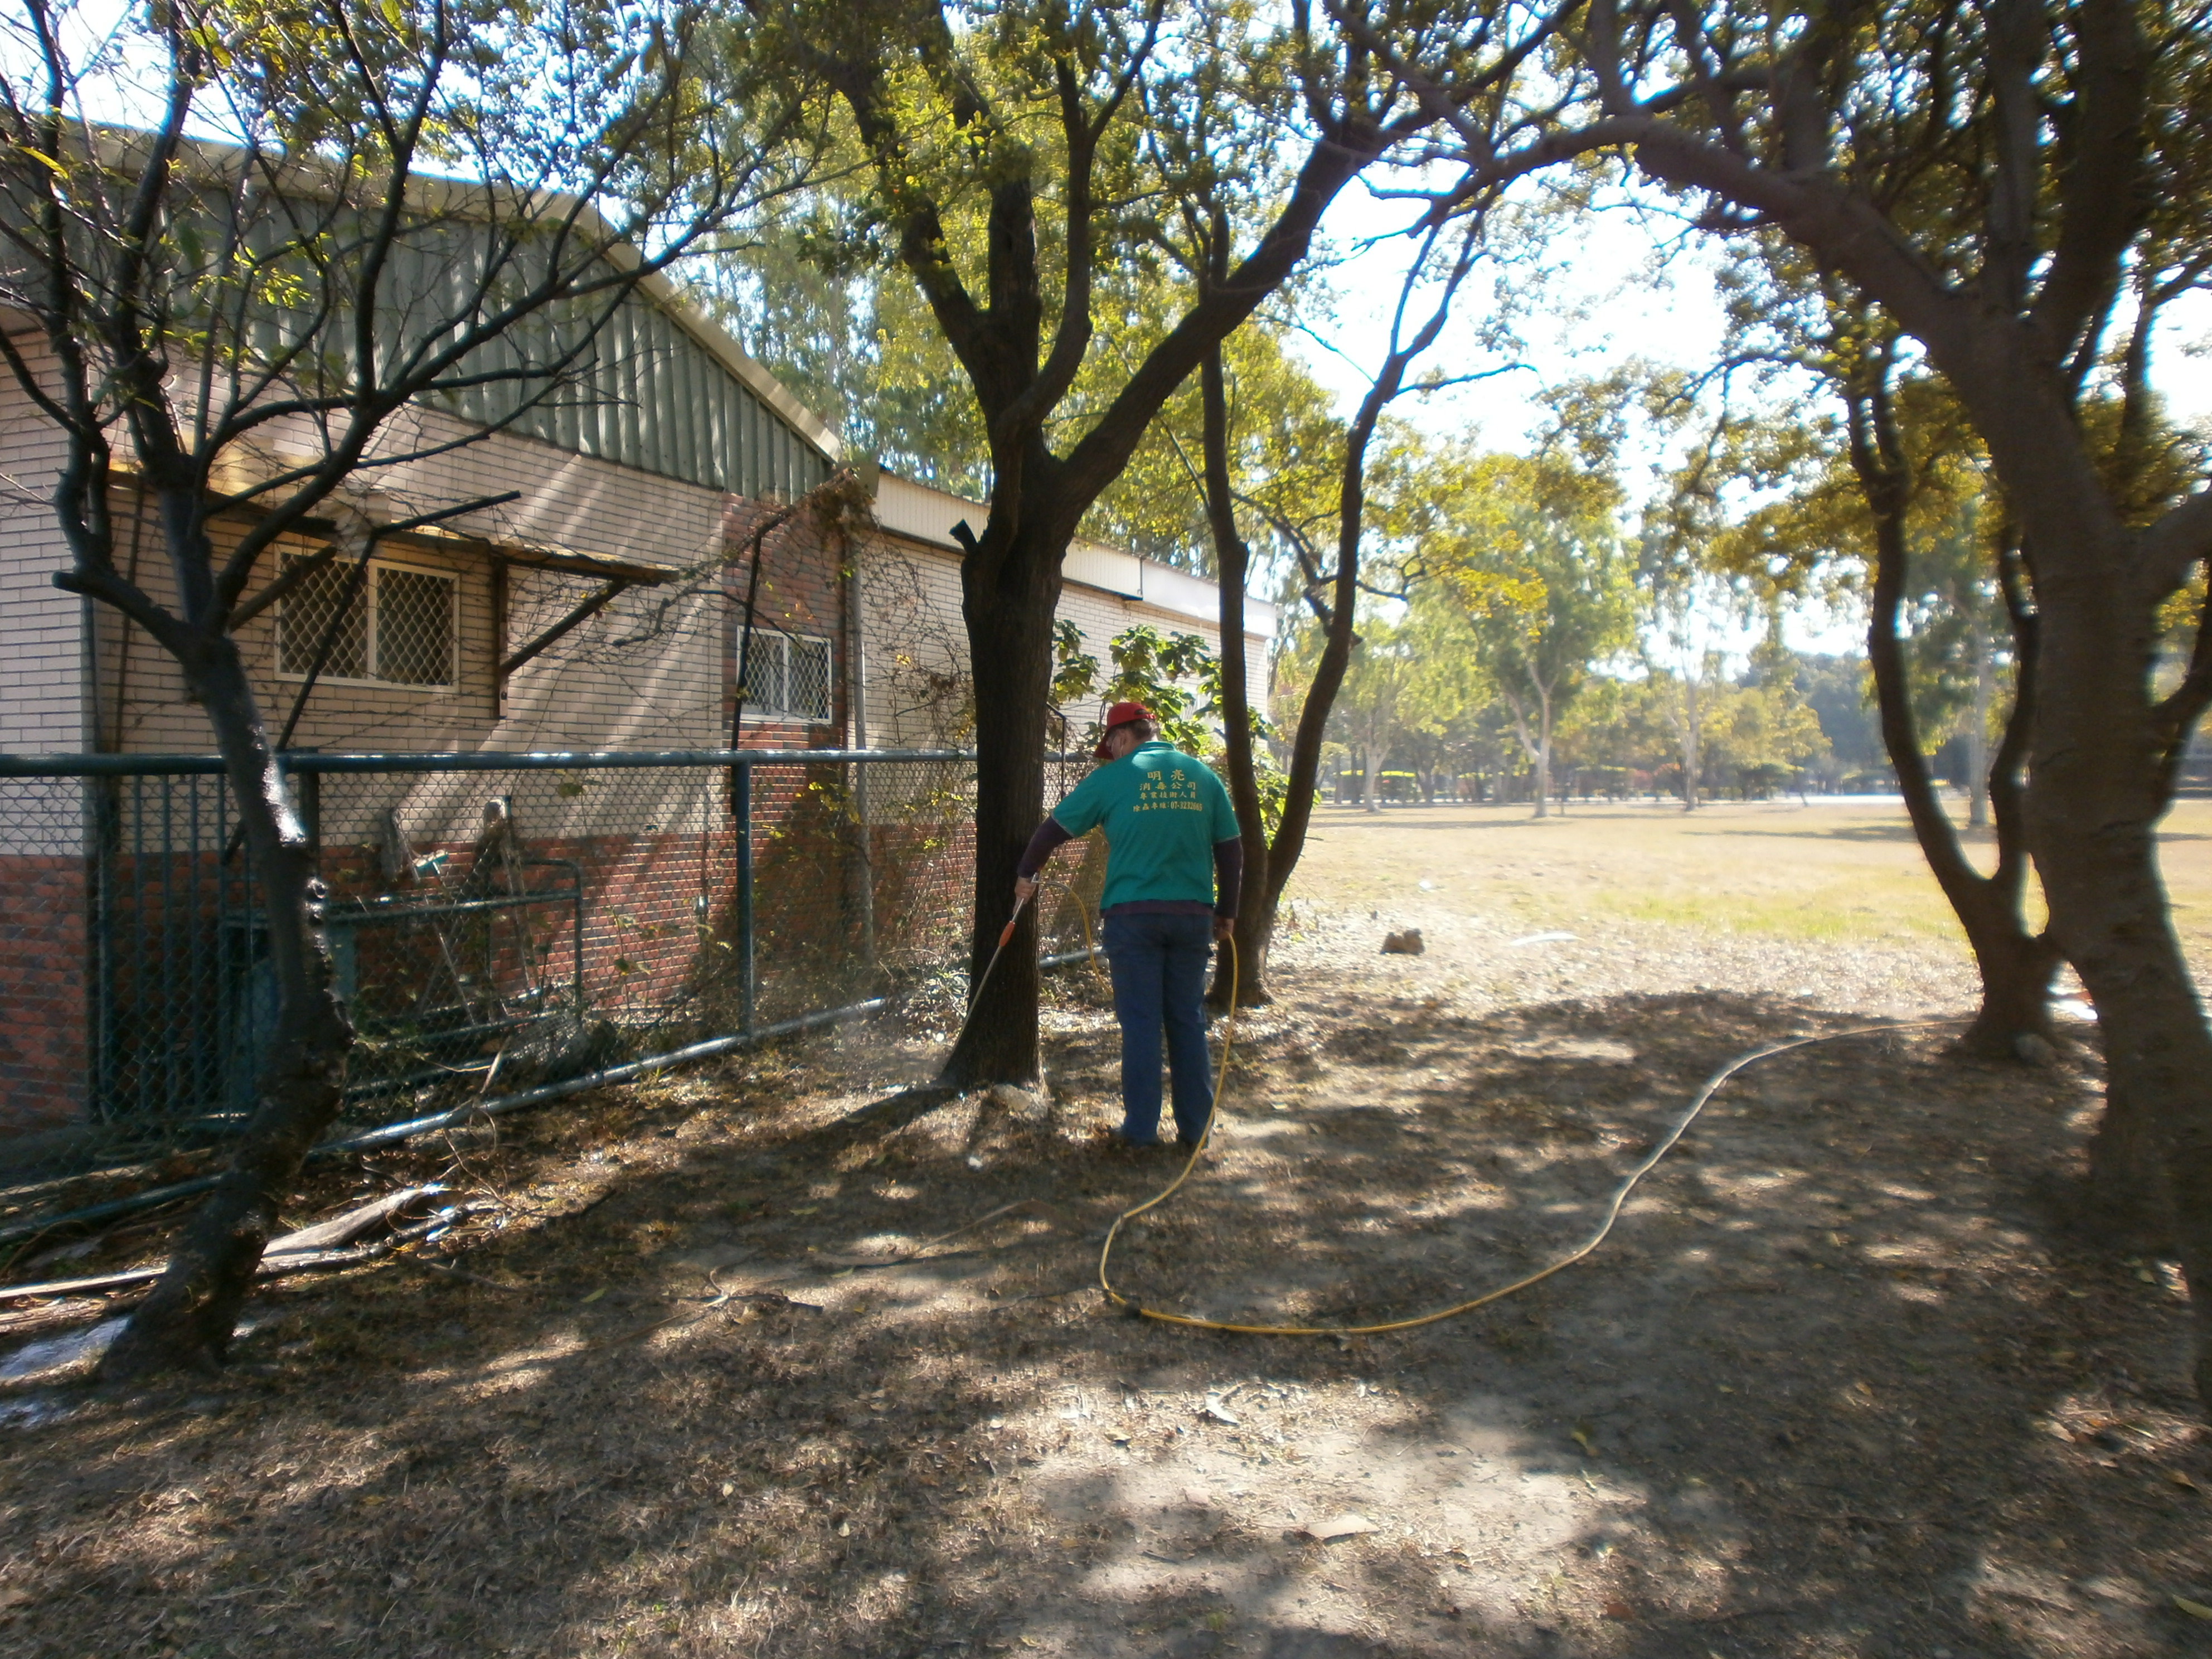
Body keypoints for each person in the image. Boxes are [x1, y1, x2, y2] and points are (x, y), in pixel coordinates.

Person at [1013, 701, 1242, 1149]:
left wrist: (1027, 873)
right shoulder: (1201, 775)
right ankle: (1197, 1130)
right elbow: (1231, 848)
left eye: (1111, 746)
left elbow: (1052, 830)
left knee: (1141, 1024)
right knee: (1187, 1020)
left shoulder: (1112, 778)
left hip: (1133, 918)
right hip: (1193, 916)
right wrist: (1228, 911)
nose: (1112, 753)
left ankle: (1140, 1133)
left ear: (1120, 737)